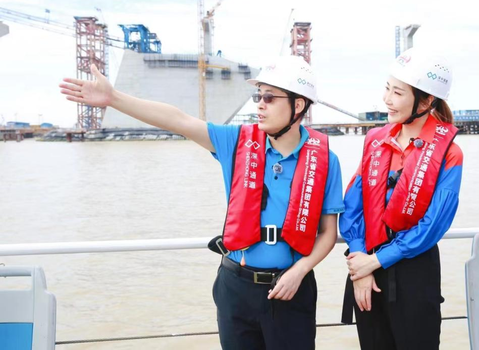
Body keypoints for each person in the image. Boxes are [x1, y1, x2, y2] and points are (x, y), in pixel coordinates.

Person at [59, 55, 345, 350]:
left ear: (298, 105)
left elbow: (328, 233)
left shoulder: (325, 161)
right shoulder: (235, 142)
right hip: (236, 288)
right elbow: (178, 120)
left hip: (291, 289)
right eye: (258, 96)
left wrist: (300, 270)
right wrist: (114, 98)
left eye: (270, 97)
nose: (260, 104)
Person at [339, 47, 463, 349]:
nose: (387, 99)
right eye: (387, 89)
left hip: (414, 272)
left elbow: (433, 225)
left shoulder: (449, 154)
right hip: (366, 268)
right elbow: (352, 207)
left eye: (397, 93)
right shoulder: (375, 142)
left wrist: (376, 261)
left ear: (426, 101)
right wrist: (360, 263)